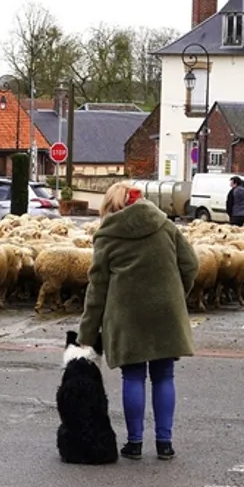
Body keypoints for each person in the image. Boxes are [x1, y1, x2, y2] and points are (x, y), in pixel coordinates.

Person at [77, 181, 199, 461]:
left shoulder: (107, 236)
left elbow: (97, 288)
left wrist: (87, 332)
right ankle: (164, 443)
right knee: (164, 375)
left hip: (126, 315)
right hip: (166, 312)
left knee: (133, 376)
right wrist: (177, 295)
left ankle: (134, 443)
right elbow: (190, 264)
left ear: (110, 206)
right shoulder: (164, 225)